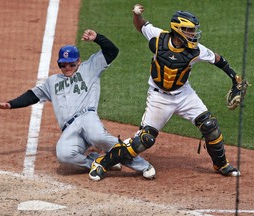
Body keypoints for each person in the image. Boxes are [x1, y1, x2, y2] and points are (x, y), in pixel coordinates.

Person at [89, 4, 241, 181]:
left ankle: (221, 164)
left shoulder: (196, 50)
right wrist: (136, 15)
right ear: (178, 30)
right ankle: (102, 162)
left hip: (184, 95)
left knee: (210, 126)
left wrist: (235, 78)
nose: (193, 34)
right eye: (189, 31)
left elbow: (217, 59)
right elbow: (141, 26)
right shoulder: (158, 37)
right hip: (159, 97)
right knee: (144, 140)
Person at [0, 29, 155, 179]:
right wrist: (10, 104)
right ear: (59, 64)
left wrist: (97, 38)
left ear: (79, 61)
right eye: (63, 64)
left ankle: (143, 165)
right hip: (69, 129)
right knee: (64, 155)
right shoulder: (52, 82)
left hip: (87, 117)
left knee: (98, 137)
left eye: (71, 64)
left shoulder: (89, 67)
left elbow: (112, 51)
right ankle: (102, 162)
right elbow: (33, 95)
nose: (67, 67)